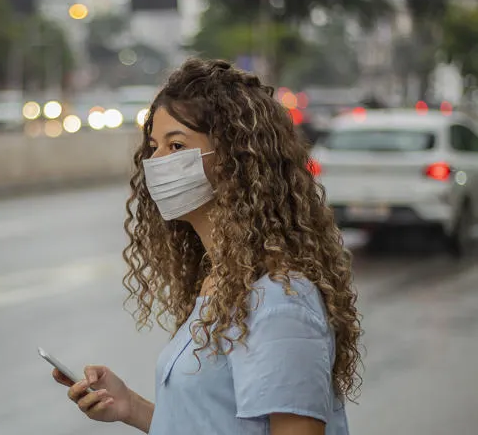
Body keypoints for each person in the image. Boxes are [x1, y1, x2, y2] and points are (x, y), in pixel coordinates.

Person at [51, 58, 362, 435]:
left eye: (176, 145)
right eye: (153, 147)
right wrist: (129, 406)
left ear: (236, 161)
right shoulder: (221, 281)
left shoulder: (281, 301)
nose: (156, 163)